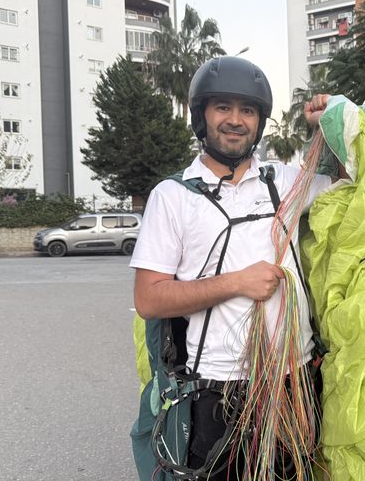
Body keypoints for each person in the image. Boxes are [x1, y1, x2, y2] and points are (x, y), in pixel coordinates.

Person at [130, 56, 333, 480]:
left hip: (292, 382)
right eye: (223, 107)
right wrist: (237, 283)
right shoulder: (173, 196)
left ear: (260, 121)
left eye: (248, 110)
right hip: (217, 393)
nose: (235, 120)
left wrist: (331, 124)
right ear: (202, 115)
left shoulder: (285, 181)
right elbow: (150, 298)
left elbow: (354, 187)